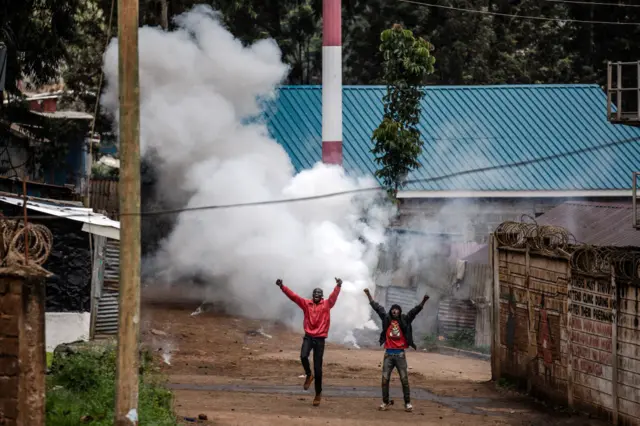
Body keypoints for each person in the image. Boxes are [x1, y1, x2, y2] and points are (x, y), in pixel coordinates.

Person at [277, 277, 342, 406]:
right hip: (308, 336)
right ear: (312, 296)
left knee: (318, 369)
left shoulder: (327, 304)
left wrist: (338, 286)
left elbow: (333, 297)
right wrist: (282, 287)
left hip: (320, 339)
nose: (317, 296)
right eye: (315, 294)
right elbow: (294, 297)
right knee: (303, 356)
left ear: (321, 296)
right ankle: (308, 374)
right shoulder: (306, 304)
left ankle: (318, 394)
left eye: (319, 295)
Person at [363, 288, 429, 412]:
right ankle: (385, 402)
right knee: (384, 379)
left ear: (399, 311)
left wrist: (423, 301)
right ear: (391, 311)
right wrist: (368, 295)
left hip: (400, 355)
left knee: (404, 379)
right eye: (393, 309)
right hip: (388, 354)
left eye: (397, 309)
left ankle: (407, 403)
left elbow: (415, 311)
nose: (394, 311)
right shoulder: (386, 318)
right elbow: (377, 308)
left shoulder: (405, 319)